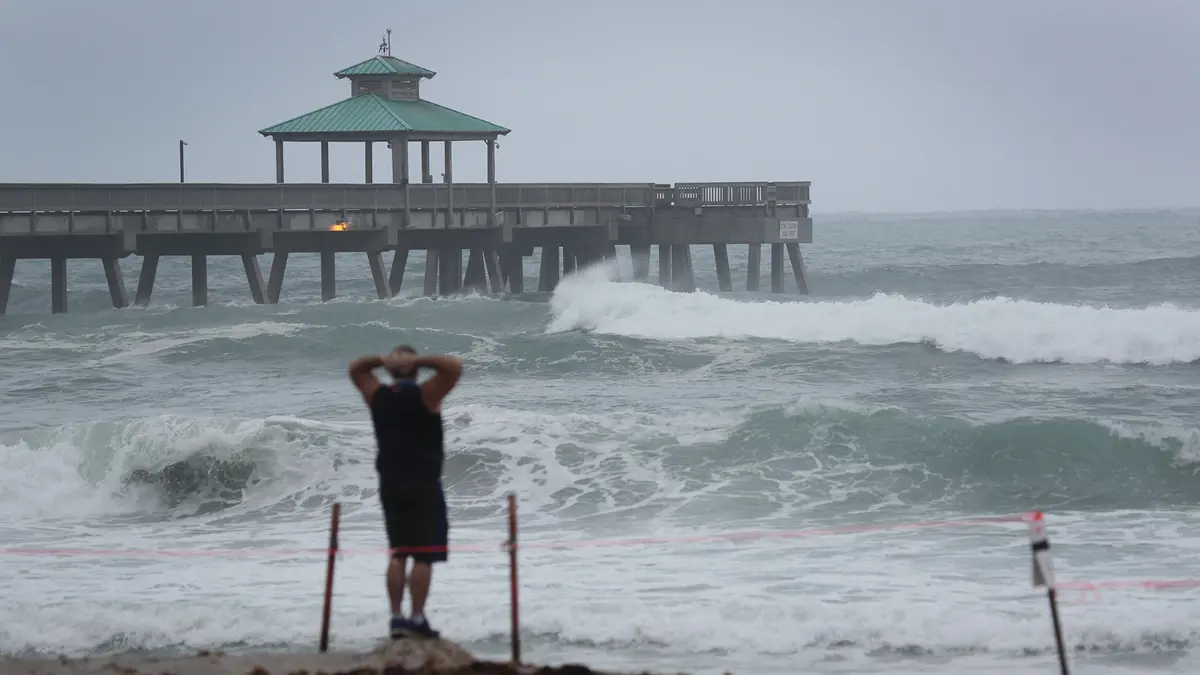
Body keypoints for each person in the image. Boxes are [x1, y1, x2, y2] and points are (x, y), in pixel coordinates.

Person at [348, 345, 463, 640]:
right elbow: (453, 367)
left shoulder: (378, 396)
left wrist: (381, 359)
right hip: (423, 484)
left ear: (389, 372)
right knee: (423, 555)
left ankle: (397, 617)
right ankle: (417, 617)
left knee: (398, 552)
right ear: (416, 370)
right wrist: (421, 359)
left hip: (391, 483)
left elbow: (356, 369)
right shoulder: (426, 395)